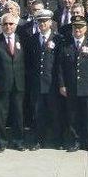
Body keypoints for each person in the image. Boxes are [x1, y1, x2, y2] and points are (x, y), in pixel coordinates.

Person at [57, 15, 88, 152]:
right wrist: (62, 85)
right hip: (71, 87)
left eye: (80, 27)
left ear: (85, 29)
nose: (77, 29)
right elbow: (60, 68)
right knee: (73, 115)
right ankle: (75, 140)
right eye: (75, 27)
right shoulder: (65, 44)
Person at [0, 13, 27, 152]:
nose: (8, 26)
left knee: (18, 114)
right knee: (1, 115)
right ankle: (0, 142)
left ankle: (19, 141)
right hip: (2, 84)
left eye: (11, 24)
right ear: (1, 25)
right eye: (5, 24)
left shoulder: (21, 39)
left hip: (19, 83)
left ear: (15, 25)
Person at [26, 9, 64, 150]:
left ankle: (57, 140)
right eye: (40, 21)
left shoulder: (58, 39)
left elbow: (60, 63)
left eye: (45, 21)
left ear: (50, 22)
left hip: (52, 84)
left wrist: (60, 84)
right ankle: (38, 140)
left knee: (55, 113)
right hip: (37, 83)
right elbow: (29, 62)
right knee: (38, 114)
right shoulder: (32, 39)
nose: (42, 23)